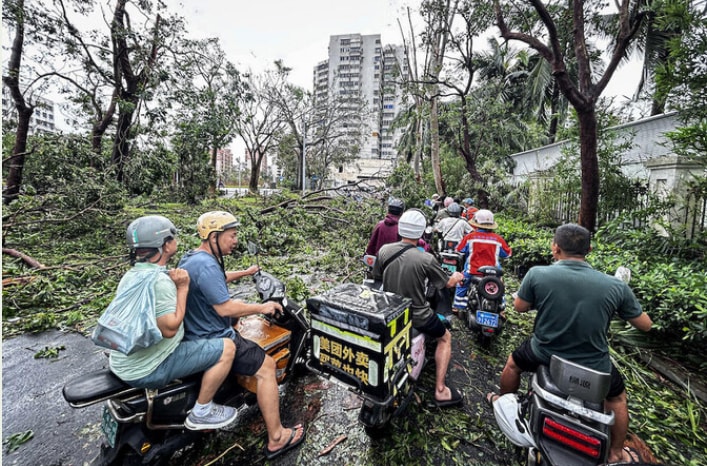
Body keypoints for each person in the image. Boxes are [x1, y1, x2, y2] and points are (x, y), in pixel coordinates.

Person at [488, 223, 653, 465]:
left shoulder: (538, 274)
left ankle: (503, 401)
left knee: (513, 364)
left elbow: (519, 307)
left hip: (543, 354)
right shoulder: (615, 286)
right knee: (616, 399)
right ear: (590, 249)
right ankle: (616, 452)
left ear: (555, 248)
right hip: (595, 366)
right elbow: (645, 325)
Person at [178, 211, 305, 459]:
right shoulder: (206, 264)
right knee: (266, 367)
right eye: (232, 236)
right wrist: (261, 307)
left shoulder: (193, 259)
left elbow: (218, 278)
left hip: (195, 332)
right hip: (214, 334)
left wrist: (246, 273)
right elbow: (225, 308)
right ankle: (277, 437)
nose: (235, 241)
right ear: (214, 236)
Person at [109, 215, 238, 431]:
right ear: (166, 245)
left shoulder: (133, 275)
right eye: (173, 237)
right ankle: (202, 411)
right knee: (227, 348)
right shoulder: (161, 281)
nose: (176, 241)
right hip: (146, 368)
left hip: (121, 361)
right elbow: (170, 329)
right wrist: (183, 288)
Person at [372, 209, 466, 407]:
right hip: (418, 316)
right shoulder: (426, 259)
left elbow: (377, 278)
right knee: (446, 337)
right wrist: (457, 277)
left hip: (390, 314)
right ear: (422, 232)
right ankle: (440, 390)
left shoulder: (384, 251)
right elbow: (446, 283)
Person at [453, 209, 512, 313]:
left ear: (476, 224)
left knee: (461, 284)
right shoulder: (498, 239)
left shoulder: (470, 237)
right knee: (500, 287)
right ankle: (502, 310)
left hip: (472, 271)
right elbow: (507, 254)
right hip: (493, 274)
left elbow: (459, 250)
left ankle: (458, 307)